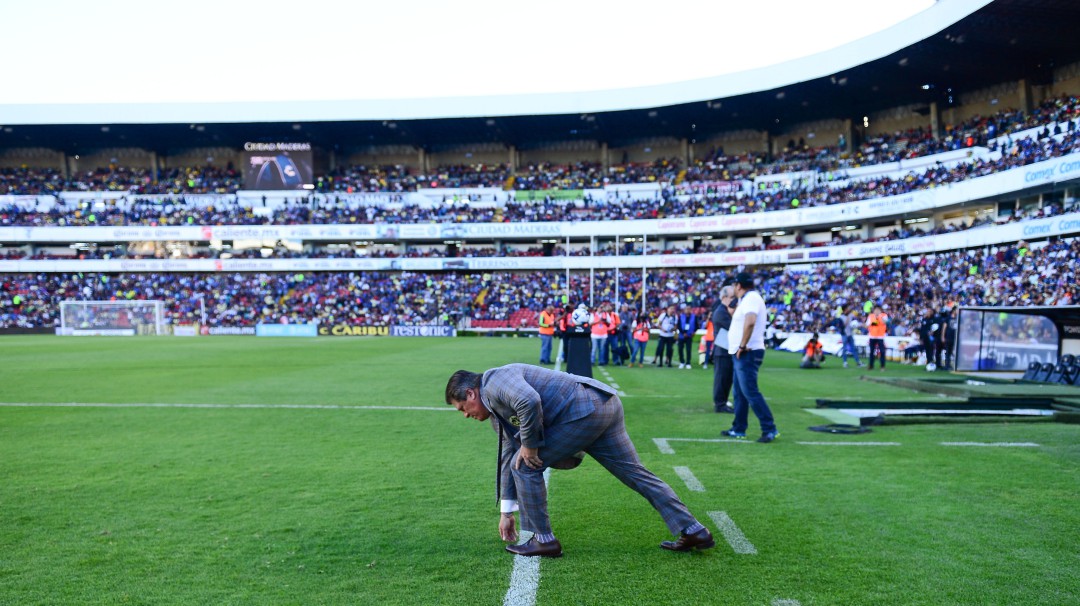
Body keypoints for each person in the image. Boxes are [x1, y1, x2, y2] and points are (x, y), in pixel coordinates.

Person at [445, 365, 716, 557]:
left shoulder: (494, 381)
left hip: (583, 412)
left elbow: (528, 400)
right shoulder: (495, 413)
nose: (465, 415)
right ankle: (693, 530)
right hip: (603, 405)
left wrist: (529, 445)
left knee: (526, 464)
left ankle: (543, 541)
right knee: (637, 474)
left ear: (471, 393)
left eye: (462, 409)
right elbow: (506, 456)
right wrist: (506, 513)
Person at [720, 272, 780, 443]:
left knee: (750, 392)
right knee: (739, 393)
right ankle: (739, 428)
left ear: (738, 285)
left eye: (734, 285)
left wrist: (742, 345)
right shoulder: (747, 299)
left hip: (747, 351)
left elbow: (751, 320)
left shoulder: (752, 298)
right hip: (742, 352)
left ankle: (769, 428)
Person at [711, 284, 736, 413]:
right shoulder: (721, 312)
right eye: (732, 297)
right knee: (722, 379)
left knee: (726, 379)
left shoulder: (723, 311)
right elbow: (733, 328)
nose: (734, 300)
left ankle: (722, 402)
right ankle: (720, 404)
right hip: (722, 350)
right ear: (724, 297)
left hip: (725, 349)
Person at [866, 305, 889, 371]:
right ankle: (871, 365)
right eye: (875, 310)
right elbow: (867, 325)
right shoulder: (871, 316)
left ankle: (882, 366)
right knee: (871, 352)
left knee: (882, 352)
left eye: (878, 310)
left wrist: (879, 317)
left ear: (880, 310)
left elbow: (885, 322)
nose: (876, 311)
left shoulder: (884, 315)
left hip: (880, 337)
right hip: (872, 336)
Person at [676, 305, 698, 369]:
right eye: (686, 309)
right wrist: (683, 333)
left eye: (689, 309)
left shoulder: (694, 316)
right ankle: (682, 362)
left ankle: (688, 362)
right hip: (681, 335)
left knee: (688, 349)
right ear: (684, 310)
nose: (688, 310)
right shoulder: (681, 316)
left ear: (691, 310)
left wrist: (694, 332)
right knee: (680, 349)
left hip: (689, 335)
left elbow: (696, 326)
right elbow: (679, 326)